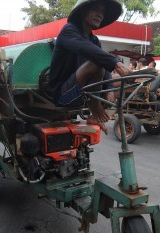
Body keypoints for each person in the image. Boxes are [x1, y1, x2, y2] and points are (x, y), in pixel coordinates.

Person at [49, 0, 130, 134]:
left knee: (119, 80)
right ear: (83, 11)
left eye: (102, 12)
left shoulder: (94, 40)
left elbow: (104, 66)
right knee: (96, 63)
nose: (100, 15)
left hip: (84, 91)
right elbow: (87, 50)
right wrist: (115, 62)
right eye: (96, 10)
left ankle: (94, 116)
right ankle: (94, 107)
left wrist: (109, 89)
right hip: (62, 94)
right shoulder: (68, 30)